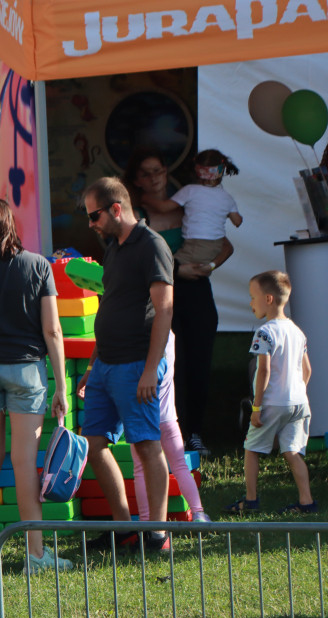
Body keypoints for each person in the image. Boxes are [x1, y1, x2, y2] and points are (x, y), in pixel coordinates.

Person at [0, 197, 71, 575]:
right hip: (28, 371)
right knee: (24, 463)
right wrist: (61, 385)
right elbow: (52, 330)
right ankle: (36, 555)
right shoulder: (39, 266)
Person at [77, 177, 174, 553]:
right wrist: (91, 365)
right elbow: (110, 305)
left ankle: (159, 533)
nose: (91, 224)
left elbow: (164, 308)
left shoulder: (152, 246)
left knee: (147, 445)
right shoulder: (114, 249)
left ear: (116, 208)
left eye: (94, 215)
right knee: (95, 443)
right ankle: (124, 529)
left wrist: (151, 369)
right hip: (105, 365)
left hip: (136, 364)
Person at [126, 149, 234, 456]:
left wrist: (209, 266)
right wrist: (177, 269)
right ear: (136, 179)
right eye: (146, 173)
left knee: (198, 366)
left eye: (158, 170)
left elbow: (226, 245)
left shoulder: (187, 205)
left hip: (197, 294)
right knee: (171, 369)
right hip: (158, 299)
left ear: (166, 171)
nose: (154, 178)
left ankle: (195, 434)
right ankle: (173, 435)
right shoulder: (136, 216)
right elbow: (136, 261)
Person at [225, 271, 317, 514]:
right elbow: (307, 369)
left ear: (268, 299)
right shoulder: (298, 331)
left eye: (252, 297)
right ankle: (307, 502)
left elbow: (263, 371)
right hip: (298, 402)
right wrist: (296, 392)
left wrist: (256, 407)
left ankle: (251, 500)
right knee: (292, 452)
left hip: (272, 402)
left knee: (252, 448)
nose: (250, 303)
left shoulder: (264, 332)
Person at [127, 332, 211, 523]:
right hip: (168, 417)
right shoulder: (170, 335)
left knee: (140, 469)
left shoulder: (138, 338)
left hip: (141, 416)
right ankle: (198, 513)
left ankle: (146, 520)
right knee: (180, 465)